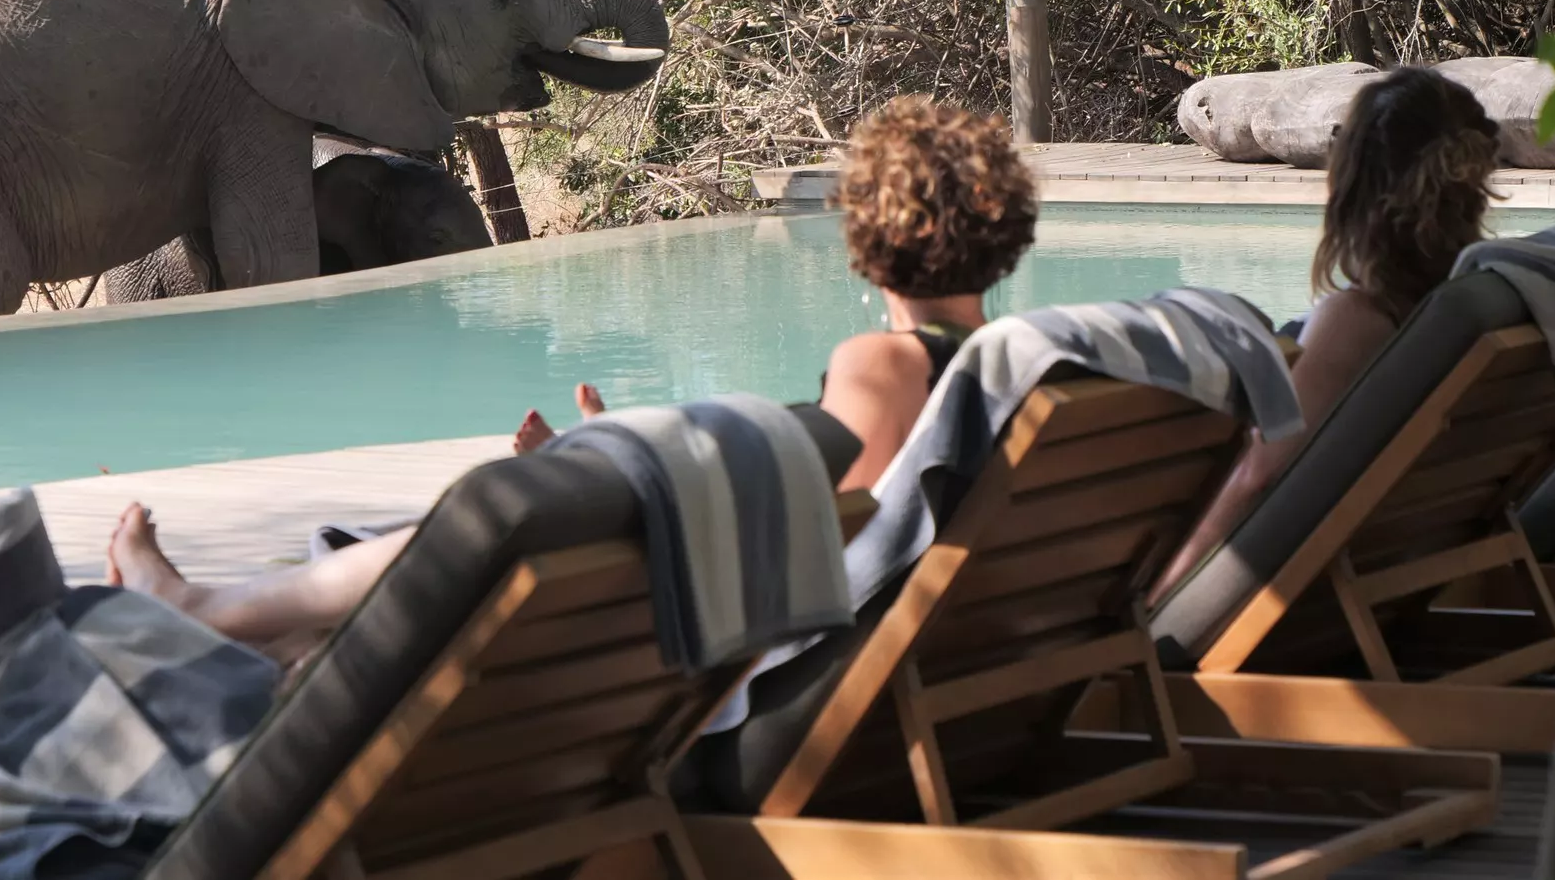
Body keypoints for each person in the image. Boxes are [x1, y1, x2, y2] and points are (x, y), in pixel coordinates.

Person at [107, 94, 1040, 655]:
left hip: (769, 647)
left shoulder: (887, 362)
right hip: (908, 639)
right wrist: (630, 446)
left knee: (498, 506)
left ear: (866, 244)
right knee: (550, 488)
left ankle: (211, 607)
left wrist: (633, 473)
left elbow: (839, 523)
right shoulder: (1014, 368)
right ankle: (306, 624)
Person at [1151, 67, 1501, 598]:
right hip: (1402, 572)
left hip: (1305, 594)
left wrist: (1156, 597)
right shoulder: (1479, 302)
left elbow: (1258, 479)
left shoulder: (1360, 319)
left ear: (1351, 182)